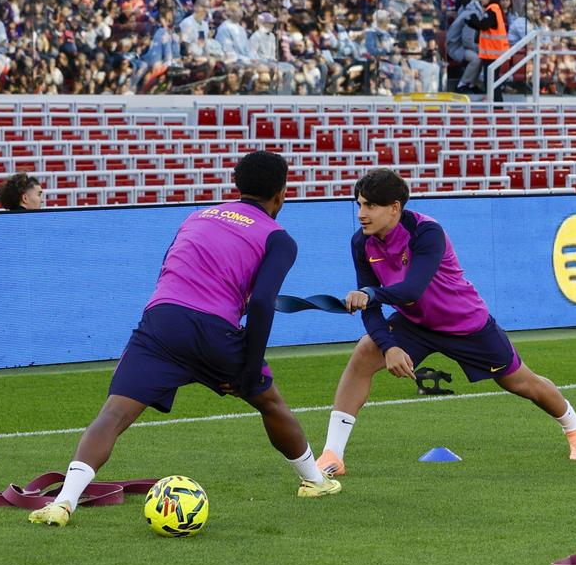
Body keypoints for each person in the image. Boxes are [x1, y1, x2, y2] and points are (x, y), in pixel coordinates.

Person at [28, 152, 341, 526]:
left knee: (113, 414)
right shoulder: (279, 238)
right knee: (270, 403)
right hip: (213, 332)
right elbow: (261, 302)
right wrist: (249, 370)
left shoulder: (197, 216)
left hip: (161, 322)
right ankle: (314, 481)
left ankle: (63, 502)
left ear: (237, 185)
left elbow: (170, 268)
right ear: (281, 194)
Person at [317, 169, 576, 476]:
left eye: (370, 205)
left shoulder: (425, 232)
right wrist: (388, 346)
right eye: (359, 205)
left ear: (394, 207)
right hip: (415, 324)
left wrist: (369, 294)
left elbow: (412, 289)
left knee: (520, 382)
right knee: (365, 353)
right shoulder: (361, 243)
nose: (361, 214)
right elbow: (371, 309)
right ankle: (332, 455)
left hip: (464, 323)